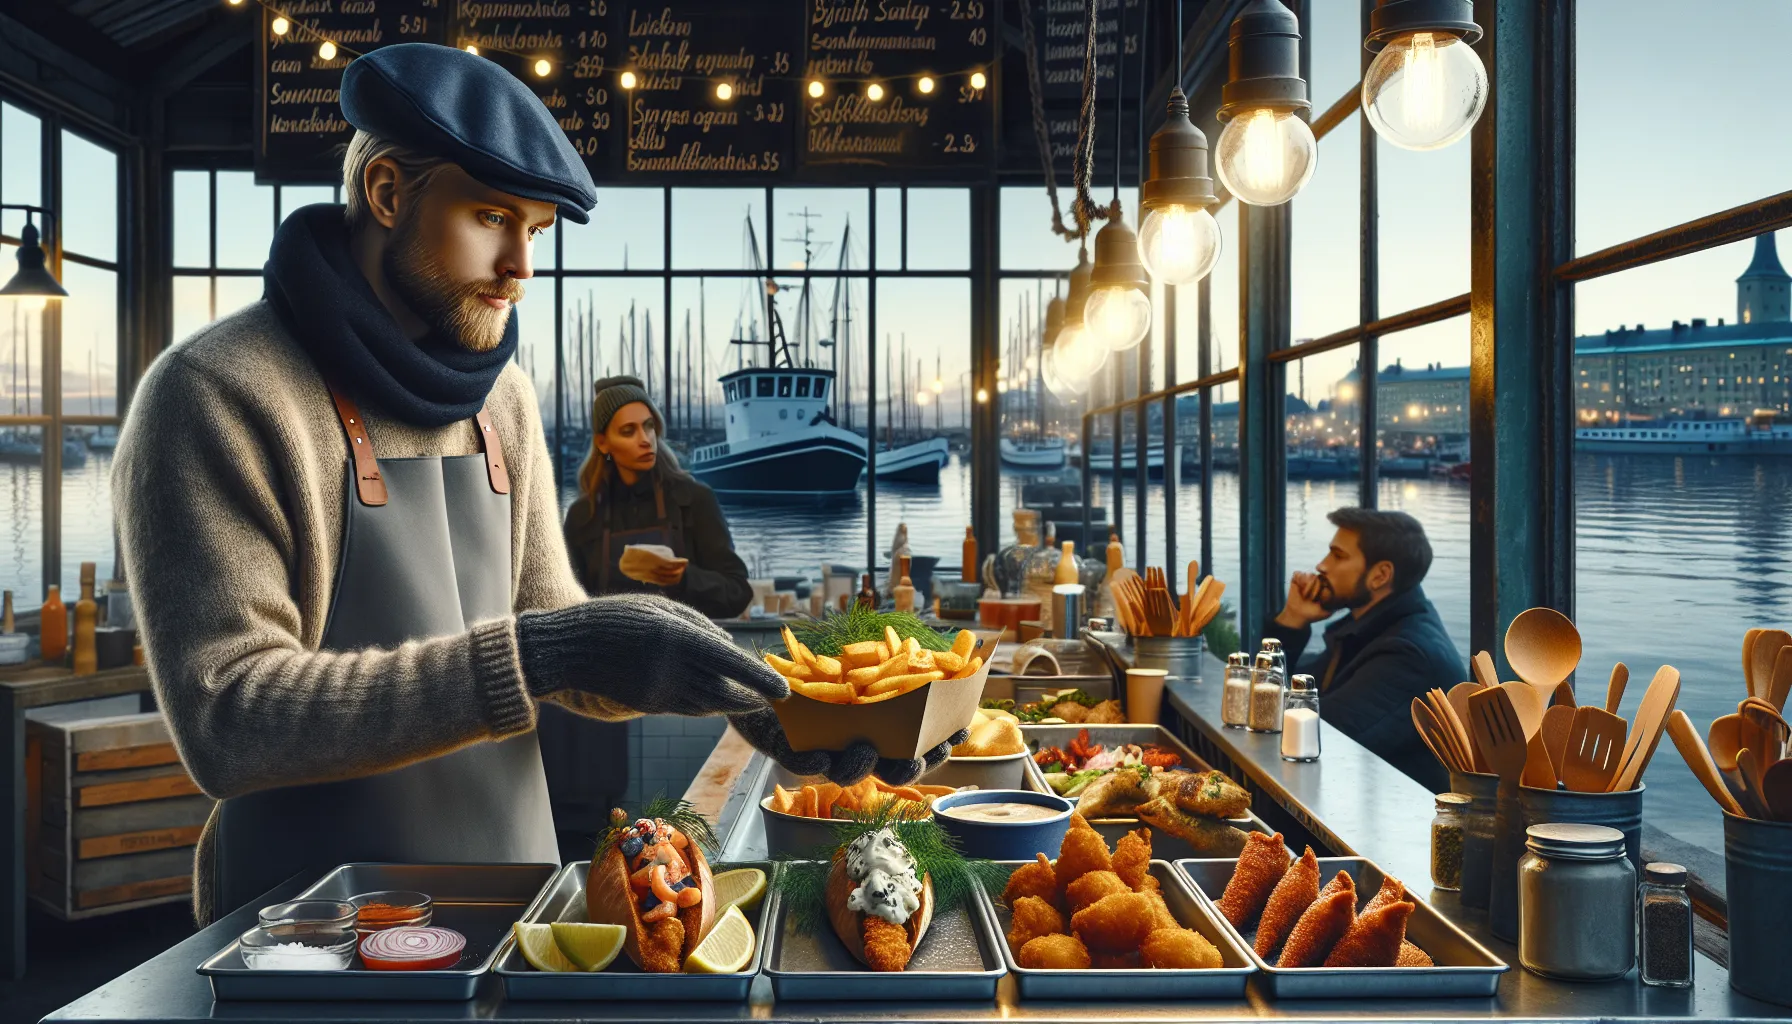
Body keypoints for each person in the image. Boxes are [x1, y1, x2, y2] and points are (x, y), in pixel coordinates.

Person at [111, 43, 957, 924]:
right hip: (307, 931)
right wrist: (547, 653)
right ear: (388, 194)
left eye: (538, 231)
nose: (522, 264)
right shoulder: (217, 395)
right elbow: (229, 720)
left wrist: (746, 697)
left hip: (515, 902)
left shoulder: (502, 400)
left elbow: (558, 637)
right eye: (492, 217)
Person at [1260, 508, 1463, 792]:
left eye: (1338, 556)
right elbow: (1280, 702)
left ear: (1380, 575)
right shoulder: (1371, 630)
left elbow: (1308, 737)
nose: (1321, 565)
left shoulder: (1407, 657)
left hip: (1387, 816)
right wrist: (1292, 619)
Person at [563, 378, 752, 617]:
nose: (645, 439)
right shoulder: (583, 516)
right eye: (628, 431)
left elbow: (737, 592)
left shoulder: (693, 500)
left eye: (649, 426)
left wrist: (684, 579)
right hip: (608, 641)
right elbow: (568, 607)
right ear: (603, 443)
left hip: (683, 641)